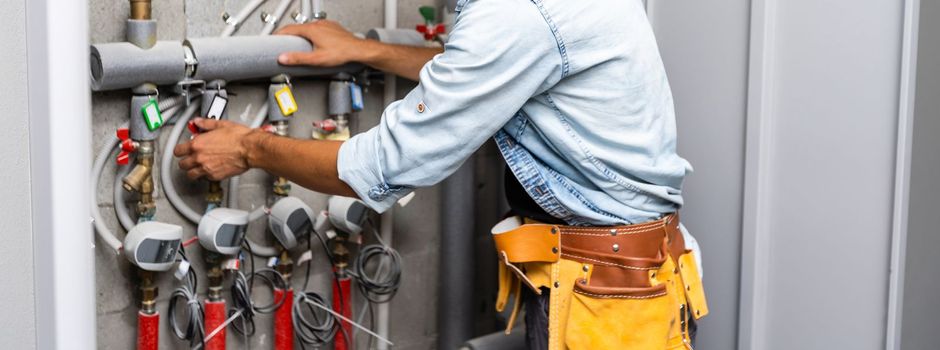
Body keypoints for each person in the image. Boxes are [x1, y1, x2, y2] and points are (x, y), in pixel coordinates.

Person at [174, 0, 708, 348]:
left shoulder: (520, 11)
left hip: (610, 303)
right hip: (624, 277)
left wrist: (249, 147)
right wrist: (369, 51)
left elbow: (379, 167)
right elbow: (503, 66)